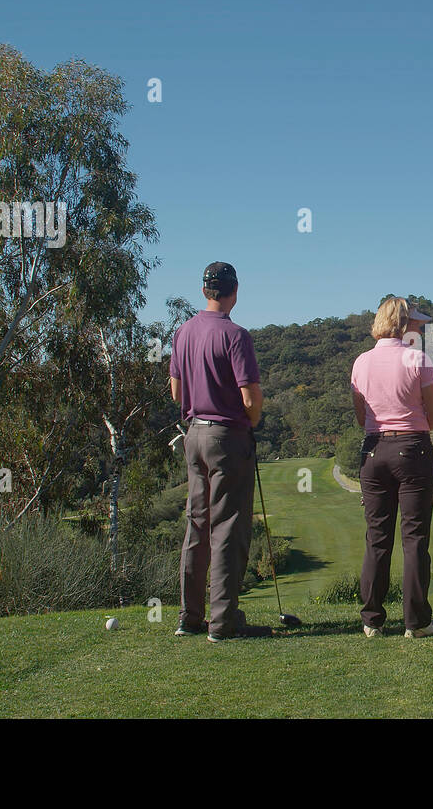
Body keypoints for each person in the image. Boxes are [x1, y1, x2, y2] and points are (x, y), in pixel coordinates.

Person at [168, 262, 267, 642]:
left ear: (205, 290)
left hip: (193, 435)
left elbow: (176, 391)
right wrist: (253, 419)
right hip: (227, 436)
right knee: (227, 527)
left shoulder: (183, 332)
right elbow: (249, 396)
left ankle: (189, 617)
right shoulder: (236, 335)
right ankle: (224, 621)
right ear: (234, 290)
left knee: (197, 523)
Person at [350, 297, 433, 638]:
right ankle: (416, 622)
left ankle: (371, 619)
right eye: (416, 324)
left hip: (373, 452)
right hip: (412, 450)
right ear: (403, 325)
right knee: (415, 538)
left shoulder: (361, 362)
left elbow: (362, 417)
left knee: (377, 538)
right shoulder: (417, 359)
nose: (420, 329)